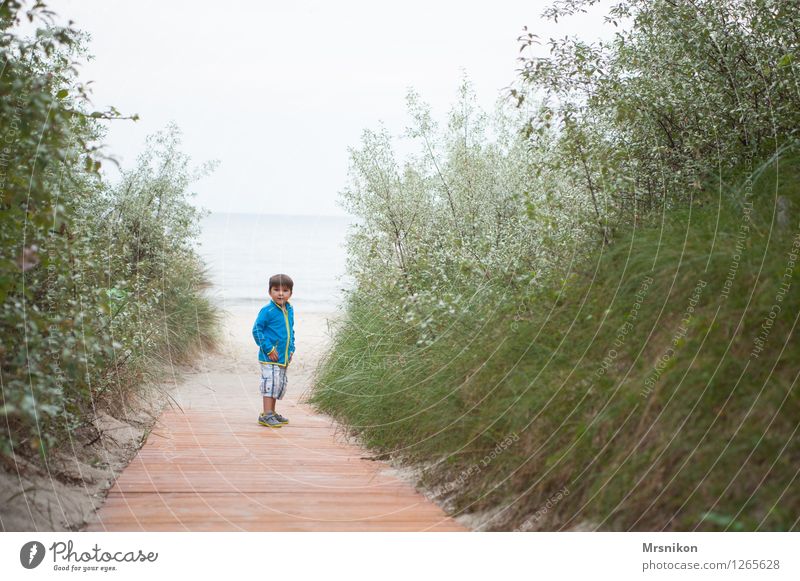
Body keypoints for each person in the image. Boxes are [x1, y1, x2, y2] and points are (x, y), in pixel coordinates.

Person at [252, 273, 295, 428]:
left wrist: (291, 349)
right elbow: (257, 330)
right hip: (269, 356)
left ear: (291, 293)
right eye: (276, 290)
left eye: (285, 290)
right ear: (270, 292)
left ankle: (272, 412)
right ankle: (266, 414)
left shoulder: (289, 309)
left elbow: (291, 331)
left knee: (277, 384)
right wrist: (269, 348)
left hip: (283, 357)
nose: (281, 293)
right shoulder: (268, 310)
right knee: (269, 384)